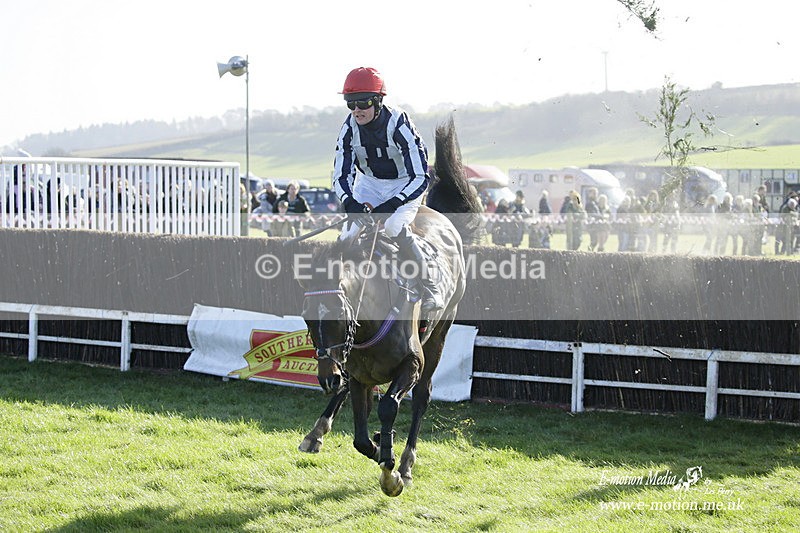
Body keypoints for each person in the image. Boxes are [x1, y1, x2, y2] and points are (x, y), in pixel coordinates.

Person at [331, 67, 441, 315]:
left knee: (392, 227)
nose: (356, 110)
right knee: (347, 235)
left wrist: (394, 203)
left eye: (363, 102)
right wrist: (349, 201)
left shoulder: (399, 123)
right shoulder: (349, 128)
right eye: (350, 103)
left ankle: (430, 285)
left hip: (405, 183)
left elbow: (421, 175)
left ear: (378, 101)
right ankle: (334, 292)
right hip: (369, 183)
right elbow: (341, 173)